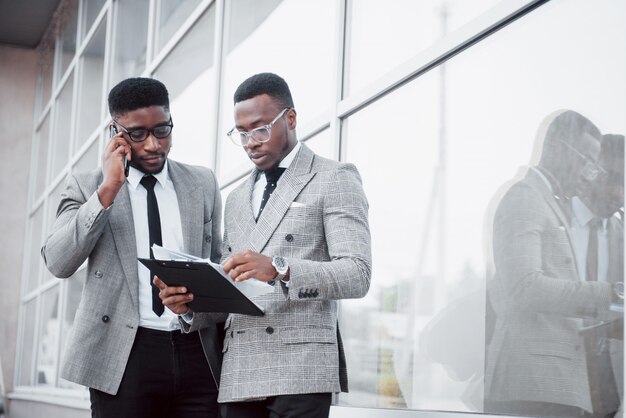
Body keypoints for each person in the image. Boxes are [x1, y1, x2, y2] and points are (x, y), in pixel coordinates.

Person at [156, 72, 372, 418]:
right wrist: (190, 307)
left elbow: (357, 274)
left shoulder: (334, 177)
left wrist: (279, 268)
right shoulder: (238, 197)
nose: (250, 142)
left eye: (259, 128)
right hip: (240, 369)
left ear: (290, 118)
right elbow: (232, 289)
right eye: (240, 133)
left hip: (300, 369)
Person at [41, 77, 223, 418]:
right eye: (138, 133)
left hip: (195, 347)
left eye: (162, 130)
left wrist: (195, 306)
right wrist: (109, 188)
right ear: (116, 132)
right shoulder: (87, 185)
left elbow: (216, 266)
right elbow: (58, 261)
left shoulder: (202, 183)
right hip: (122, 354)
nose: (154, 144)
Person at [484, 110, 622, 417]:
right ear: (558, 150)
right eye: (588, 162)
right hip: (534, 384)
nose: (590, 176)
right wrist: (610, 295)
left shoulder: (545, 201)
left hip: (553, 386)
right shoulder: (525, 198)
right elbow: (524, 288)